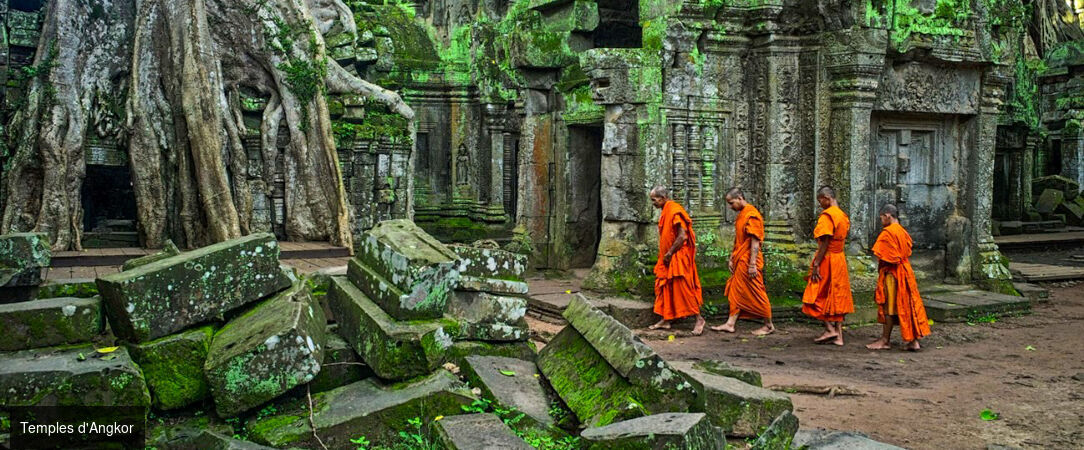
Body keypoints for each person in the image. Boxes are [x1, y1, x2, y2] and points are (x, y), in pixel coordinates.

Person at [866, 204, 931, 351]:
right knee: (907, 304)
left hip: (893, 274)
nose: (881, 220)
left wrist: (881, 269)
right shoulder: (902, 231)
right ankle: (913, 341)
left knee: (889, 306)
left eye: (881, 217)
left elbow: (888, 258)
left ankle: (885, 340)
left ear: (888, 215)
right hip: (905, 271)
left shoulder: (888, 233)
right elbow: (907, 251)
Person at [710, 187, 774, 335]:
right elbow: (739, 240)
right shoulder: (742, 215)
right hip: (741, 258)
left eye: (731, 203)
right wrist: (732, 258)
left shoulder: (752, 215)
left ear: (740, 198)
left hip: (749, 260)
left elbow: (755, 241)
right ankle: (730, 323)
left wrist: (752, 264)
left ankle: (769, 324)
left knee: (757, 290)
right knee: (736, 290)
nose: (730, 207)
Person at [648, 186, 706, 335]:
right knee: (665, 286)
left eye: (654, 200)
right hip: (668, 256)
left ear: (663, 198)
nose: (653, 203)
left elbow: (682, 236)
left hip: (678, 256)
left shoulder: (674, 210)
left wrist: (670, 252)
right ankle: (666, 319)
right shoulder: (666, 210)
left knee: (683, 288)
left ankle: (699, 319)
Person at [801, 186, 854, 346]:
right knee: (836, 295)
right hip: (840, 259)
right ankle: (839, 336)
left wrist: (817, 263)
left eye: (820, 201)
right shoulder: (842, 216)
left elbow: (825, 241)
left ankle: (829, 329)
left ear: (826, 198)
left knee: (815, 294)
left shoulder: (827, 215)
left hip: (828, 259)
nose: (820, 204)